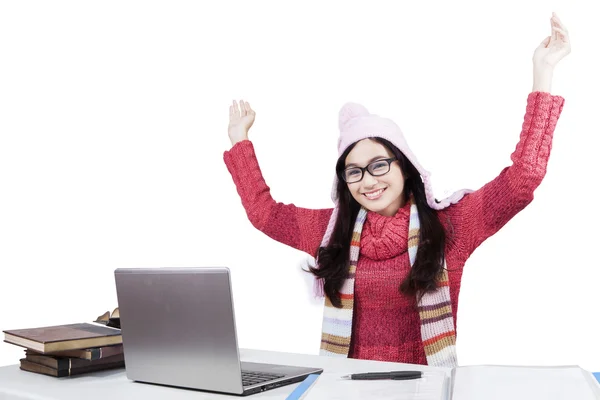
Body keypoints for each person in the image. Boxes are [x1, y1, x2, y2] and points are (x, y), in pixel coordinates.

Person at [223, 13, 571, 368]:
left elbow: (524, 177)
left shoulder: (450, 226)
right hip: (346, 389)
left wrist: (542, 73)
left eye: (379, 164)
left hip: (426, 389)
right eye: (354, 172)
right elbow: (264, 214)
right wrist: (240, 140)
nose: (368, 181)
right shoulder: (333, 232)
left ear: (405, 165)